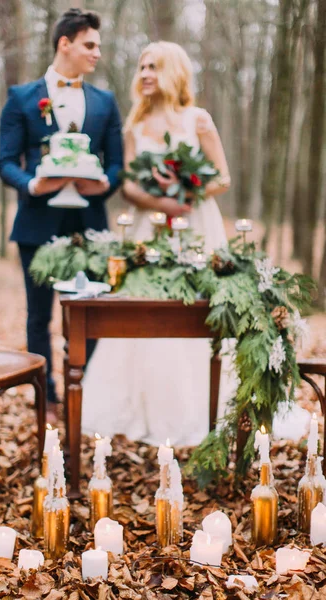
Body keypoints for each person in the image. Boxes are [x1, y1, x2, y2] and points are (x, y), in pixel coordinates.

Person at [82, 41, 233, 446]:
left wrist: (187, 190)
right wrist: (160, 201)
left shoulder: (197, 120)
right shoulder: (135, 125)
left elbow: (222, 176)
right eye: (142, 66)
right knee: (143, 308)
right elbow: (130, 185)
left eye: (154, 66)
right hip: (150, 229)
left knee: (195, 309)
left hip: (196, 227)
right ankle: (143, 407)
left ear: (174, 72)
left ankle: (200, 407)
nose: (145, 73)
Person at [0, 8, 123, 420]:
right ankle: (46, 396)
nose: (97, 53)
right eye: (90, 44)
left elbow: (117, 165)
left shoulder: (105, 102)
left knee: (94, 314)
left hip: (90, 228)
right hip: (37, 224)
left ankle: (82, 388)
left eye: (99, 46)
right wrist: (33, 183)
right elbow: (6, 163)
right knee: (39, 317)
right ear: (64, 43)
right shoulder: (22, 98)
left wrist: (103, 182)